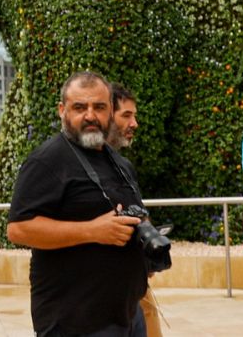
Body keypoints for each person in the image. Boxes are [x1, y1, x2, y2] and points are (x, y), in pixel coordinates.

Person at [8, 71, 150, 337]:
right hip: (75, 323)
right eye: (79, 107)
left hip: (128, 315)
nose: (90, 116)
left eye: (99, 107)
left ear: (110, 110)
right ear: (62, 111)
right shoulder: (47, 161)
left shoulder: (120, 163)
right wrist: (92, 231)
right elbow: (18, 228)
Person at [110, 82, 162, 337]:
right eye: (126, 115)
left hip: (135, 283)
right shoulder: (73, 164)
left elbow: (137, 212)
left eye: (135, 116)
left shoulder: (123, 165)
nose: (134, 124)